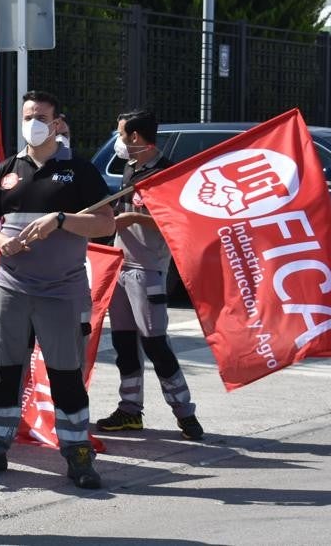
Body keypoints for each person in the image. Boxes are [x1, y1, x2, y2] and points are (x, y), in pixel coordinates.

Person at [0, 91, 115, 490]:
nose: (34, 123)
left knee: (65, 376)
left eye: (42, 116)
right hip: (11, 287)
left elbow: (106, 225)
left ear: (57, 122)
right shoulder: (8, 170)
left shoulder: (79, 171)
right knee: (6, 373)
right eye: (28, 116)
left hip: (61, 291)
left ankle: (79, 455)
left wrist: (60, 219)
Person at [96, 109, 204, 441]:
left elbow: (174, 223)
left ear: (136, 138)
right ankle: (129, 410)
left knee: (156, 344)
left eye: (121, 134)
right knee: (124, 343)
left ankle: (185, 413)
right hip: (121, 265)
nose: (118, 141)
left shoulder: (166, 174)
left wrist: (134, 221)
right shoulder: (132, 168)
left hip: (149, 271)